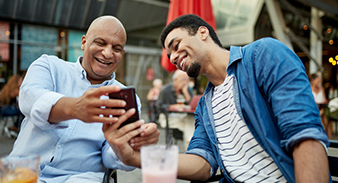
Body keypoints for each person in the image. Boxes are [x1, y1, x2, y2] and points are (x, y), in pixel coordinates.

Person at [103, 14, 331, 183]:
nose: (172, 57)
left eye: (175, 45)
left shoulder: (262, 55)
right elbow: (202, 164)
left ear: (203, 32)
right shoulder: (204, 105)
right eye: (169, 54)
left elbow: (303, 134)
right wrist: (133, 157)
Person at [0, 16, 159, 183]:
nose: (107, 53)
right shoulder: (49, 66)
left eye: (116, 48)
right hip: (22, 172)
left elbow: (110, 157)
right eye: (100, 43)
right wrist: (75, 108)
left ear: (122, 53)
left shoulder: (125, 97)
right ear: (84, 42)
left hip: (80, 177)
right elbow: (29, 99)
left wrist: (131, 146)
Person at [0, 73, 24, 138]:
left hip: (1, 109)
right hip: (4, 110)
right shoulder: (15, 91)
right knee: (21, 111)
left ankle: (14, 127)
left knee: (20, 111)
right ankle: (16, 127)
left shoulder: (7, 88)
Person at [310, 72, 331, 138]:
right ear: (313, 81)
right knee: (322, 113)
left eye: (320, 81)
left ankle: (329, 136)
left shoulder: (321, 89)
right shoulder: (309, 89)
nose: (319, 83)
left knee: (325, 113)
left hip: (321, 108)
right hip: (313, 108)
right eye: (318, 81)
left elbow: (324, 100)